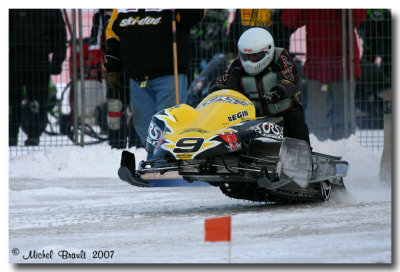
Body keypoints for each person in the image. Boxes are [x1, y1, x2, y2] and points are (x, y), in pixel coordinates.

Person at [103, 9, 205, 154]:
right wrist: (113, 66)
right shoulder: (121, 7)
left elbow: (194, 16)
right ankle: (156, 161)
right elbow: (113, 34)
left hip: (169, 74)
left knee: (170, 124)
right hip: (137, 77)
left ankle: (168, 163)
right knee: (143, 123)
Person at [209, 27, 311, 146]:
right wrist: (216, 90)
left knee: (295, 117)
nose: (250, 59)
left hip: (282, 116)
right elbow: (221, 81)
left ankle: (303, 154)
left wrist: (277, 92)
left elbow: (291, 77)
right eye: (246, 56)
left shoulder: (280, 56)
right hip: (252, 119)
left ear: (267, 51)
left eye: (254, 56)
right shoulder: (237, 65)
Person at [281, 9, 367, 141]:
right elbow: (290, 21)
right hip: (317, 68)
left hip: (343, 65)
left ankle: (345, 153)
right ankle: (319, 151)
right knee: (316, 117)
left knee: (343, 117)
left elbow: (357, 18)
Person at [9, 9, 67, 146]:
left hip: (26, 57)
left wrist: (58, 60)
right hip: (28, 57)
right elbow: (59, 34)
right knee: (23, 98)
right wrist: (58, 59)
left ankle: (21, 134)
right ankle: (22, 134)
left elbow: (59, 33)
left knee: (22, 98)